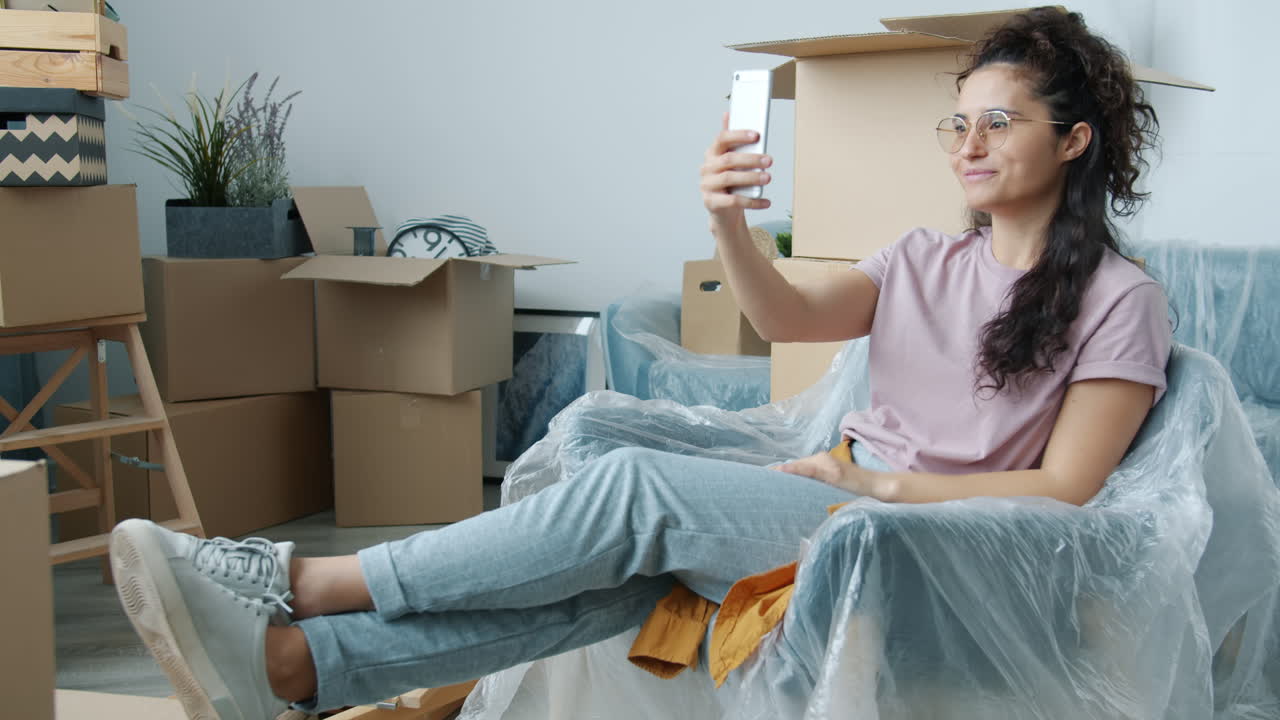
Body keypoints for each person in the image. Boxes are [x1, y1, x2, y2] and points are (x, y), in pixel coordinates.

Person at [109, 8, 1171, 719]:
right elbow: (785, 316)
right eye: (956, 122)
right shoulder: (919, 258)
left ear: (1072, 139)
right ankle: (298, 670)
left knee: (625, 490)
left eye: (999, 122)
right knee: (622, 567)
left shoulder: (1120, 301)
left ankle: (302, 584)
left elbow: (1066, 488)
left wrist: (876, 481)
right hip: (831, 513)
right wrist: (728, 223)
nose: (967, 143)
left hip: (928, 552)